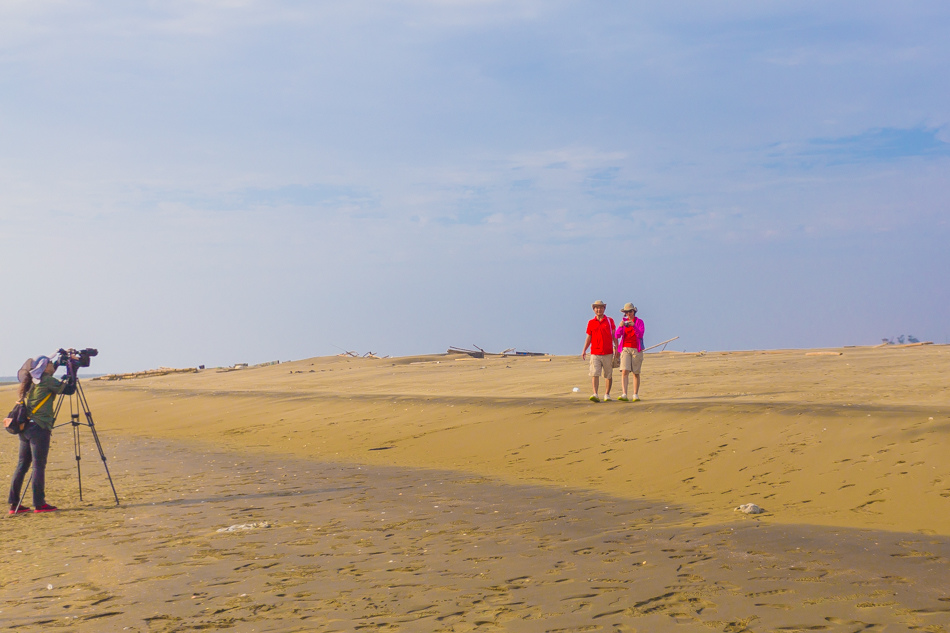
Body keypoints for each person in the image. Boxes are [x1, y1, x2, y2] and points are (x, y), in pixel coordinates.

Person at [8, 356, 70, 514]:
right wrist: (72, 370)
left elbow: (49, 372)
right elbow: (70, 390)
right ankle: (39, 504)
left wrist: (60, 361)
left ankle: (14, 505)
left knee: (22, 466)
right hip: (39, 428)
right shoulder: (47, 380)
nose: (52, 365)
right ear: (44, 367)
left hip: (26, 427)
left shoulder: (31, 381)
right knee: (38, 466)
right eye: (50, 363)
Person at [582, 300, 616, 402]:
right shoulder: (591, 322)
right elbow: (589, 337)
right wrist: (584, 350)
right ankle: (595, 394)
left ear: (604, 309)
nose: (599, 310)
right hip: (595, 352)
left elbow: (614, 336)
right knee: (594, 373)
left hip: (608, 352)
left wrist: (617, 348)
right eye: (597, 308)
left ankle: (607, 394)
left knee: (608, 374)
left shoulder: (609, 321)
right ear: (594, 309)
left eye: (601, 308)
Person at [615, 303, 645, 402]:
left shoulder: (639, 322)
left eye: (630, 311)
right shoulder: (623, 322)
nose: (628, 314)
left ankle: (635, 394)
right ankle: (624, 393)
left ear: (634, 311)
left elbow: (640, 335)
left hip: (636, 349)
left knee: (636, 372)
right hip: (625, 348)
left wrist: (634, 326)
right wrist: (620, 326)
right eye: (626, 312)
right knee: (624, 370)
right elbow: (617, 335)